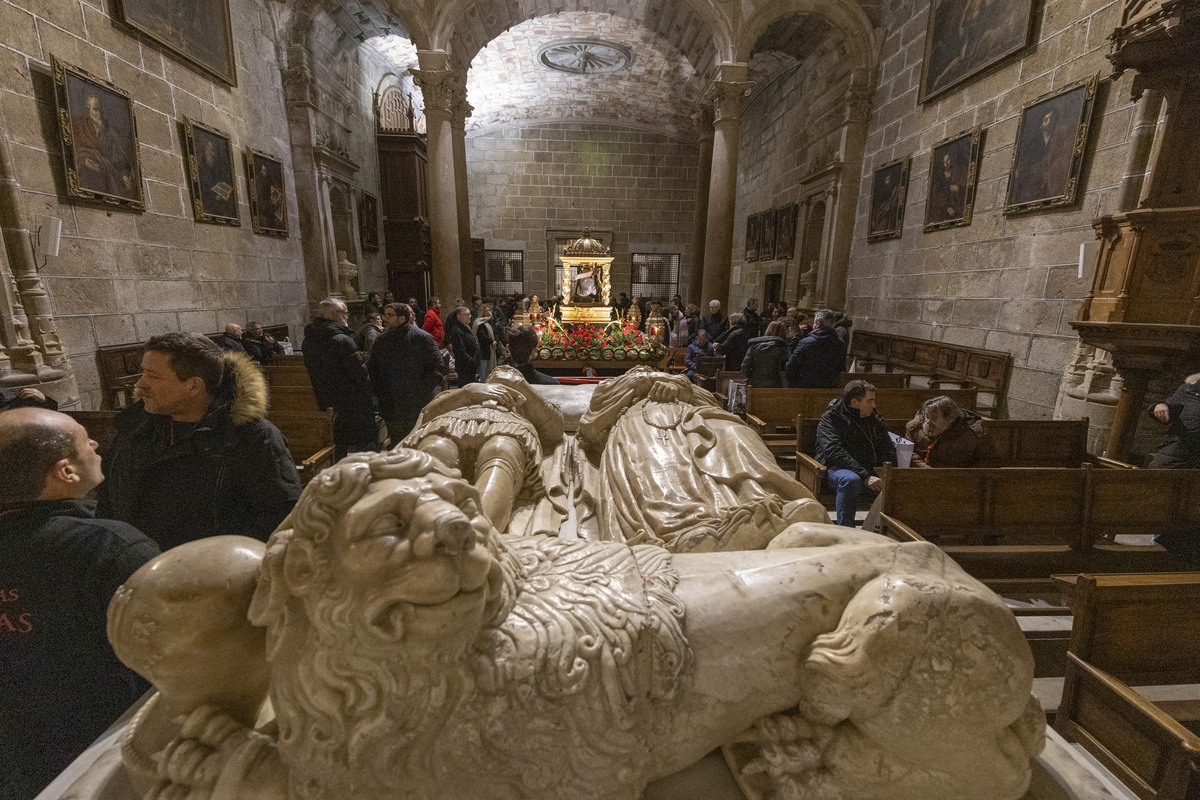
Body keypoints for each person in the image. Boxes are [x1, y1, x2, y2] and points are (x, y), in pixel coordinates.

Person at [0, 408, 161, 799]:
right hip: (101, 753)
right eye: (84, 439)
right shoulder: (111, 550)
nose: (94, 445)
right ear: (65, 471)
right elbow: (170, 657)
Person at [96, 332, 301, 550]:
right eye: (143, 373)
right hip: (136, 567)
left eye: (153, 376)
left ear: (194, 386)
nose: (141, 384)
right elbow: (107, 496)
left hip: (209, 573)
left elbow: (279, 518)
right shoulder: (133, 426)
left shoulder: (252, 437)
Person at [303, 298, 378, 460]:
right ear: (335, 315)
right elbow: (360, 375)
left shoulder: (309, 340)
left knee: (339, 447)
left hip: (326, 400)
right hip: (353, 404)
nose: (347, 317)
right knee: (363, 451)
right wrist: (372, 396)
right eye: (345, 313)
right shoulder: (343, 341)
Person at [815, 380, 897, 527]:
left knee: (900, 479)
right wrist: (865, 475)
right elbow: (835, 451)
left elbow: (887, 446)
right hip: (837, 468)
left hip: (869, 470)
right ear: (854, 402)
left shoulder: (873, 419)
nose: (874, 405)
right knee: (851, 480)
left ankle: (880, 531)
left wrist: (888, 470)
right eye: (870, 401)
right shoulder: (831, 419)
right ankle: (846, 530)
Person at [368, 302, 447, 442]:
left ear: (402, 319)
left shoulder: (422, 338)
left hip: (417, 402)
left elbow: (438, 367)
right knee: (398, 442)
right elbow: (373, 368)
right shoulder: (382, 340)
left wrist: (422, 391)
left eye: (390, 315)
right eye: (384, 315)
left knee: (418, 440)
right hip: (391, 403)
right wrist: (380, 393)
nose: (385, 319)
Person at [905, 395, 989, 468]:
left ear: (949, 420)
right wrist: (925, 469)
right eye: (927, 416)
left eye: (934, 418)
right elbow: (908, 453)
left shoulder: (973, 433)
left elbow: (986, 460)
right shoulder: (914, 428)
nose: (928, 421)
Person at [1148, 373, 1200, 468]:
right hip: (1179, 449)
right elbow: (1171, 407)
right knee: (1154, 476)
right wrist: (1160, 406)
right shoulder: (1190, 389)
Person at [786, 308, 847, 388]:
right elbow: (841, 368)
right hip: (829, 387)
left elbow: (792, 365)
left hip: (805, 387)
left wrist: (793, 383)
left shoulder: (806, 343)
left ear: (817, 323)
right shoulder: (840, 343)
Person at [742, 321, 789, 388]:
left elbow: (745, 366)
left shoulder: (754, 345)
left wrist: (750, 376)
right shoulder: (781, 347)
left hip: (755, 382)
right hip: (774, 383)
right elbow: (787, 363)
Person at [447, 305, 481, 387]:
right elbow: (461, 350)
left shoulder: (466, 327)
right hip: (465, 367)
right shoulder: (458, 330)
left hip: (471, 367)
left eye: (469, 314)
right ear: (459, 316)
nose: (469, 317)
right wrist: (471, 361)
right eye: (466, 315)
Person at [473, 303, 498, 380]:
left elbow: (495, 332)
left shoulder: (490, 321)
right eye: (487, 311)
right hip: (483, 350)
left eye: (490, 310)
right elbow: (481, 336)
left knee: (489, 371)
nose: (489, 312)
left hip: (491, 350)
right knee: (484, 371)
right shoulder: (479, 323)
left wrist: (496, 340)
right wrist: (491, 341)